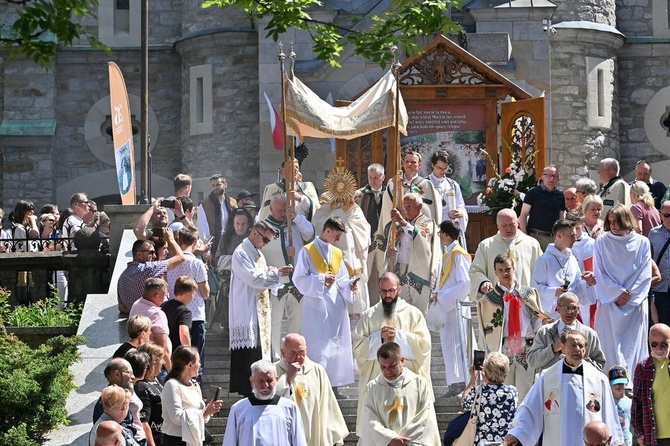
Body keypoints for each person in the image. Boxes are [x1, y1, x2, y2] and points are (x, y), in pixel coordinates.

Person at [504, 330, 625, 446]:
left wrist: (617, 442)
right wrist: (518, 434)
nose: (577, 349)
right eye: (572, 345)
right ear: (562, 347)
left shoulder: (599, 379)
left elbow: (609, 414)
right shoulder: (547, 377)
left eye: (581, 346)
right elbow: (531, 409)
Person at [353, 272, 431, 435]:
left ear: (399, 289)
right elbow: (358, 348)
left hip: (407, 383)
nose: (387, 295)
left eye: (391, 290)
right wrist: (377, 338)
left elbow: (424, 346)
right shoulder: (369, 315)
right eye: (383, 291)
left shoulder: (413, 313)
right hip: (377, 383)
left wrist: (399, 336)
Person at [293, 216, 359, 399]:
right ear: (327, 230)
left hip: (336, 305)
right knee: (318, 344)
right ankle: (317, 385)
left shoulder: (337, 253)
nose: (338, 240)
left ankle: (335, 385)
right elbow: (298, 279)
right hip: (316, 305)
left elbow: (342, 280)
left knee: (337, 343)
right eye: (336, 235)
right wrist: (321, 279)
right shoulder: (307, 251)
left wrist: (350, 285)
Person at [228, 221, 292, 396]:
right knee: (249, 355)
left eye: (268, 241)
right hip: (247, 313)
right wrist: (275, 274)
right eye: (265, 239)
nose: (266, 244)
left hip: (260, 314)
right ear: (255, 233)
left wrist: (274, 274)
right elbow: (253, 279)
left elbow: (265, 280)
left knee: (260, 353)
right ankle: (248, 393)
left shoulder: (258, 254)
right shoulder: (241, 253)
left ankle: (260, 393)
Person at [594, 204, 652, 381]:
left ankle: (634, 385)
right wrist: (617, 293)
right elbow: (599, 272)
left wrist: (629, 294)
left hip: (633, 305)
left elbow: (645, 272)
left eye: (616, 221)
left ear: (626, 220)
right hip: (610, 303)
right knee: (608, 346)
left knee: (633, 347)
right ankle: (609, 385)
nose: (612, 225)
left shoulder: (642, 242)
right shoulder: (601, 242)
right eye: (610, 221)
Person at [478, 253, 546, 399]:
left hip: (526, 345)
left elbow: (537, 319)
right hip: (502, 347)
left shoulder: (529, 293)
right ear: (495, 272)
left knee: (526, 391)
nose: (505, 273)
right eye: (500, 270)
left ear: (514, 269)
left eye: (507, 269)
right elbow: (484, 330)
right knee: (502, 391)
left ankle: (523, 422)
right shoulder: (486, 300)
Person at [263, 193, 315, 359]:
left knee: (297, 321)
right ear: (271, 209)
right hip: (278, 283)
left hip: (297, 282)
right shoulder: (264, 227)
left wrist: (297, 218)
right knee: (275, 321)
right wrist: (285, 252)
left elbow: (310, 234)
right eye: (279, 211)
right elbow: (262, 251)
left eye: (285, 210)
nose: (282, 214)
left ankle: (294, 353)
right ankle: (276, 355)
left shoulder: (294, 223)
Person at [359, 342, 440, 446]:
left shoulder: (420, 383)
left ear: (402, 360)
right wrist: (390, 439)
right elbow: (370, 418)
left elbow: (425, 417)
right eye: (383, 366)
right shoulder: (372, 387)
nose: (387, 371)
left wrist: (403, 442)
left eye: (392, 366)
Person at [274, 333, 348, 446]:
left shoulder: (317, 370)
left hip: (314, 434)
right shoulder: (273, 371)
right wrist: (288, 377)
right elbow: (272, 402)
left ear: (306, 350)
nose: (297, 357)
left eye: (301, 352)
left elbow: (328, 404)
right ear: (283, 352)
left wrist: (336, 436)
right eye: (293, 353)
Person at [223, 359, 308, 446]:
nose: (265, 385)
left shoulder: (289, 407)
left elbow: (299, 441)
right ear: (252, 381)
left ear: (277, 380)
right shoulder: (239, 409)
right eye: (261, 381)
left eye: (269, 380)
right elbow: (229, 442)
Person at [383, 192, 441, 314]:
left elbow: (422, 243)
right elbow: (394, 246)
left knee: (419, 313)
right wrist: (391, 253)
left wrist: (402, 222)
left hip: (419, 273)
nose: (406, 209)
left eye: (409, 206)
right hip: (401, 271)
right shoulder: (397, 225)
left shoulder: (428, 223)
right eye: (404, 206)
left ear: (419, 206)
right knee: (401, 312)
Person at [469, 208, 543, 301]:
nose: (508, 228)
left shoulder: (531, 244)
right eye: (504, 225)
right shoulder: (486, 246)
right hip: (497, 300)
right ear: (497, 225)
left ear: (518, 223)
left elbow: (542, 272)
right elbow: (475, 270)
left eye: (512, 224)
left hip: (525, 301)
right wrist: (483, 282)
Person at [432, 219, 471, 396]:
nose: (439, 236)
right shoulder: (448, 253)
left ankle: (460, 382)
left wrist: (442, 296)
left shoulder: (458, 254)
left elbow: (464, 283)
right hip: (447, 306)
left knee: (456, 344)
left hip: (455, 307)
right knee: (448, 344)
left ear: (446, 235)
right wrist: (436, 292)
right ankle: (453, 382)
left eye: (440, 233)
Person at [166, 226, 209, 378]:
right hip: (195, 315)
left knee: (178, 360)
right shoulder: (197, 263)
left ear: (179, 240)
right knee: (195, 361)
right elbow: (205, 293)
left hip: (173, 314)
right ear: (196, 242)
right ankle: (195, 389)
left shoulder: (170, 262)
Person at [531, 219, 596, 319]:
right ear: (559, 235)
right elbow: (534, 289)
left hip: (571, 314)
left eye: (575, 235)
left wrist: (587, 283)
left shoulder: (572, 259)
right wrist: (554, 292)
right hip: (552, 316)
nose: (575, 239)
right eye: (571, 235)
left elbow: (577, 287)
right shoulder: (544, 260)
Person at [527, 292, 606, 372]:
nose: (570, 311)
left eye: (573, 308)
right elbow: (532, 362)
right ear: (558, 309)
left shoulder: (590, 334)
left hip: (579, 382)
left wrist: (580, 362)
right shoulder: (545, 332)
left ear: (578, 309)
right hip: (552, 382)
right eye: (566, 308)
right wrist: (552, 348)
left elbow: (600, 363)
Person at [161, 346, 221, 446]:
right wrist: (204, 412)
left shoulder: (195, 385)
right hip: (176, 440)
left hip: (195, 437)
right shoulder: (172, 385)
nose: (200, 365)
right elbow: (176, 417)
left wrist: (209, 410)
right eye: (198, 361)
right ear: (189, 365)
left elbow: (202, 416)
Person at [117, 232, 185, 313]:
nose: (155, 256)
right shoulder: (148, 268)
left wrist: (140, 311)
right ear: (139, 254)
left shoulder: (122, 277)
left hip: (136, 322)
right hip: (157, 319)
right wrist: (171, 239)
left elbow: (122, 307)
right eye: (151, 252)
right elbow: (180, 257)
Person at [460, 352, 518, 445]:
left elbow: (464, 403)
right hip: (503, 442)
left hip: (482, 441)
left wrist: (473, 379)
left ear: (485, 374)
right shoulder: (512, 392)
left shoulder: (478, 391)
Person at [377, 151, 442, 230]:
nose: (409, 164)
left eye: (413, 162)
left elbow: (429, 210)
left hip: (417, 230)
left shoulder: (426, 185)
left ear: (419, 165)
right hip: (397, 229)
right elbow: (387, 204)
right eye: (407, 161)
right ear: (403, 164)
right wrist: (395, 185)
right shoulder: (393, 182)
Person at [212, 208, 252, 331]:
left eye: (243, 224)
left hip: (248, 277)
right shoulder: (226, 237)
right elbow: (218, 258)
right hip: (229, 277)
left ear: (248, 224)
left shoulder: (251, 238)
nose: (240, 227)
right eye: (237, 224)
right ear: (233, 224)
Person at [632, 323, 670, 446]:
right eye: (654, 344)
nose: (659, 348)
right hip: (653, 437)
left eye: (664, 344)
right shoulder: (642, 367)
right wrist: (639, 433)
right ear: (649, 342)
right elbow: (636, 403)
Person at [357, 163, 387, 303]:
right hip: (365, 240)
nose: (373, 180)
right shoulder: (359, 195)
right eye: (370, 177)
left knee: (385, 274)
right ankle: (363, 307)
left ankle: (385, 304)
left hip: (383, 240)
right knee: (363, 274)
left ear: (383, 178)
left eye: (376, 177)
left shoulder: (390, 194)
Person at [129, 278, 173, 372]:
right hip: (157, 366)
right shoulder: (156, 314)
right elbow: (163, 348)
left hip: (142, 362)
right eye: (164, 295)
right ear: (156, 296)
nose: (166, 298)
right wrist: (171, 371)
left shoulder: (136, 304)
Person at [519, 165, 567, 249]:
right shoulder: (533, 193)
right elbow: (523, 214)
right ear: (542, 177)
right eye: (548, 175)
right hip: (535, 237)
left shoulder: (560, 195)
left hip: (554, 238)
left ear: (558, 179)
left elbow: (561, 216)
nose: (551, 179)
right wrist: (524, 236)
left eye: (554, 176)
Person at [259, 158, 320, 222]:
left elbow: (315, 209)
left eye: (297, 167)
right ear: (283, 170)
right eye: (292, 167)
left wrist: (300, 199)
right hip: (280, 229)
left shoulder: (308, 186)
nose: (295, 170)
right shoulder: (271, 188)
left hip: (303, 228)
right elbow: (265, 213)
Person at [93, 359, 138, 440]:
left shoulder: (119, 399)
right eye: (129, 373)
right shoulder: (109, 402)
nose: (133, 377)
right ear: (117, 374)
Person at [428, 150, 468, 234]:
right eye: (439, 168)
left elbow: (460, 204)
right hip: (430, 227)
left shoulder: (453, 185)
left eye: (445, 168)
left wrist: (459, 212)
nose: (442, 171)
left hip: (448, 228)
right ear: (432, 165)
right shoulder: (424, 184)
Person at [197, 173, 237, 250]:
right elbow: (203, 229)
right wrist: (206, 251)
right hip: (213, 247)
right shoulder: (204, 205)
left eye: (218, 185)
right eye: (213, 185)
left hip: (230, 244)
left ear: (225, 185)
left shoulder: (233, 202)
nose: (215, 188)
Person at [136, 342, 165, 446]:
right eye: (161, 359)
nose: (163, 362)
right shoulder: (141, 387)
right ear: (153, 361)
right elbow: (143, 422)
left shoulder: (156, 381)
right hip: (154, 439)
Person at [649, 201, 670, 325]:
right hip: (660, 288)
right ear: (661, 215)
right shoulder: (653, 234)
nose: (669, 219)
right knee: (662, 324)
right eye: (667, 215)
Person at [161, 276, 195, 349]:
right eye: (193, 293)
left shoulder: (164, 305)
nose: (193, 297)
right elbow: (184, 333)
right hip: (177, 352)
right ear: (187, 294)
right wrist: (188, 352)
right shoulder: (185, 312)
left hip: (163, 348)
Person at [123, 350, 150, 445]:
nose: (148, 369)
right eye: (146, 366)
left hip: (139, 437)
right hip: (133, 439)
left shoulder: (132, 386)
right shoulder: (123, 390)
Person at [608, 365, 632, 446]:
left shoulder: (631, 403)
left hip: (627, 442)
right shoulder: (607, 402)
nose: (618, 386)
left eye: (621, 383)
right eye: (615, 383)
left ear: (626, 382)